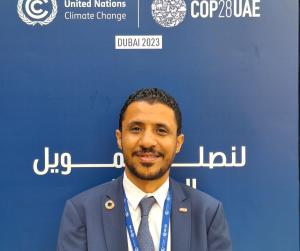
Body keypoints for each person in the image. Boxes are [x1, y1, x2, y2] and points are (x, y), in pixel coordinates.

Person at [56, 88, 232, 251]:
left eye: (161, 130)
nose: (147, 141)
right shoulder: (82, 212)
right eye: (136, 129)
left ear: (178, 143)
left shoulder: (207, 212)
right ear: (119, 138)